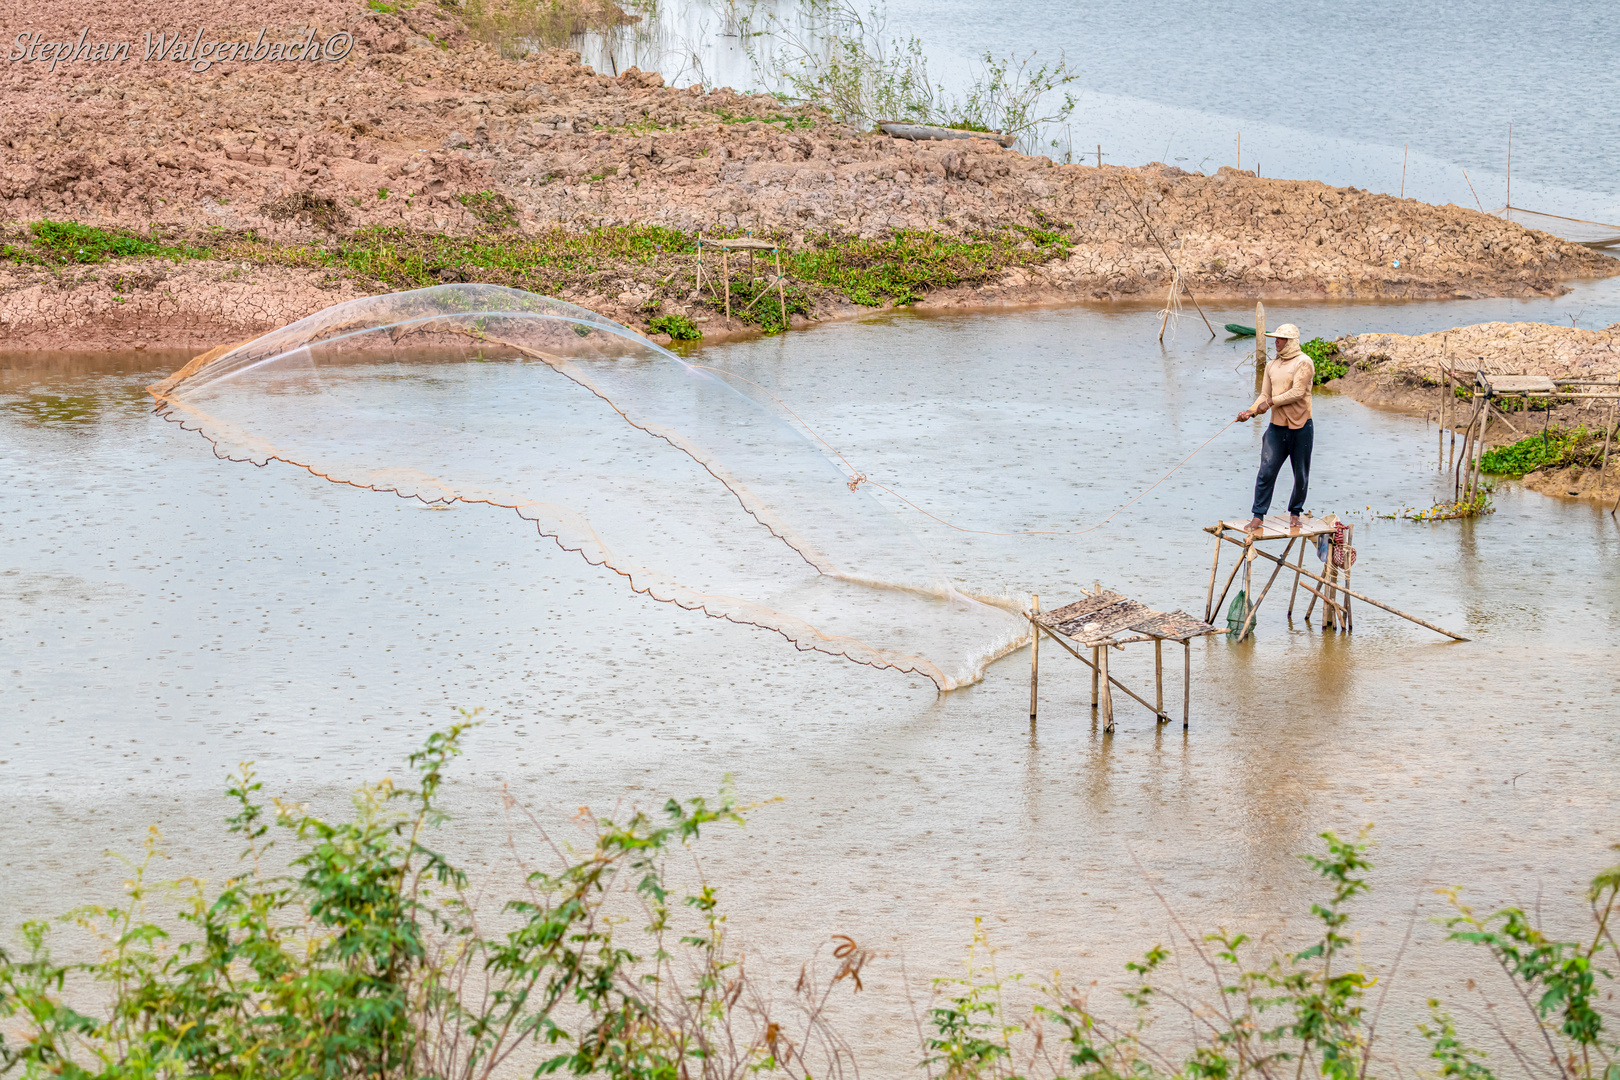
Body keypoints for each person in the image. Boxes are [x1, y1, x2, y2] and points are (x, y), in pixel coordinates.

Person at [1236, 322, 1313, 532]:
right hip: (1277, 428)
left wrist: (1269, 403)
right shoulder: (1272, 365)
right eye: (1275, 339)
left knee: (1301, 474)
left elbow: (1297, 392)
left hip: (1301, 427)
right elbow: (1264, 395)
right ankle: (1258, 515)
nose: (1276, 343)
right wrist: (1250, 411)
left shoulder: (1304, 363)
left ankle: (1295, 512)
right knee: (1266, 471)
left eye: (1280, 339)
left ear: (1290, 342)